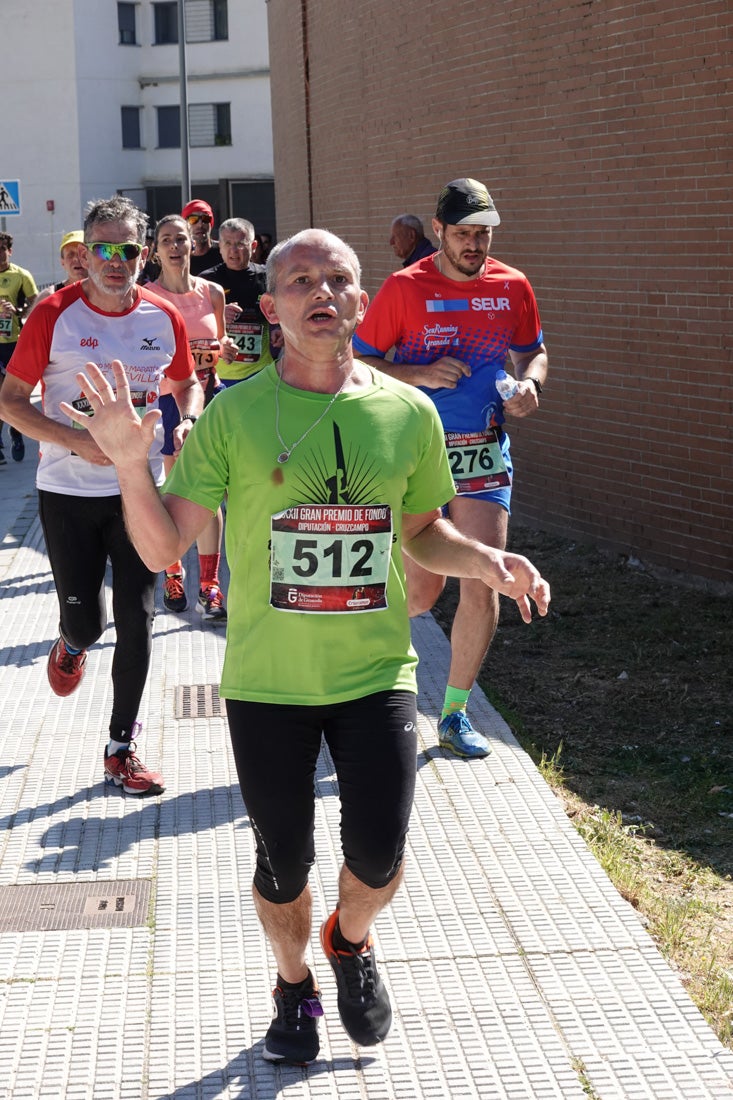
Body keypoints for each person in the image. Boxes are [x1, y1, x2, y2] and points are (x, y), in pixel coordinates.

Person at [60, 228, 550, 1063]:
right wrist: (131, 468)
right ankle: (292, 987)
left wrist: (488, 560)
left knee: (378, 856)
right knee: (282, 863)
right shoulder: (234, 416)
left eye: (337, 278)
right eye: (299, 280)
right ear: (271, 305)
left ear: (361, 301)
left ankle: (350, 941)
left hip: (375, 676)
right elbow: (159, 552)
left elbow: (422, 533)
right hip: (267, 684)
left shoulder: (405, 413)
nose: (319, 291)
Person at [0, 195, 202, 795]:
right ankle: (71, 642)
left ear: (144, 254)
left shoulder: (163, 316)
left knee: (138, 619)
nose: (117, 262)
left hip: (137, 490)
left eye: (129, 250)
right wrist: (75, 442)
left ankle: (121, 748)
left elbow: (185, 382)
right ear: (85, 255)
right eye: (104, 250)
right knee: (87, 622)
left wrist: (185, 419)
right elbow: (10, 401)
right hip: (67, 490)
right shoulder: (53, 314)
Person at [354, 178, 549, 760]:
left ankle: (455, 712)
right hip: (415, 448)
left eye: (483, 234)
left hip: (484, 447)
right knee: (420, 590)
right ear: (437, 230)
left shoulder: (512, 285)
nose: (474, 245)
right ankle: (366, 686)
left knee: (485, 574)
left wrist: (531, 385)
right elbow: (358, 360)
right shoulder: (404, 288)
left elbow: (532, 348)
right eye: (463, 234)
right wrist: (418, 374)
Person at [149, 213, 236, 621]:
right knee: (178, 490)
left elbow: (218, 343)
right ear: (155, 249)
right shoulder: (147, 297)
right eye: (166, 239)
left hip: (210, 400)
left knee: (210, 493)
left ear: (193, 242)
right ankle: (173, 573)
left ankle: (210, 583)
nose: (175, 246)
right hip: (169, 404)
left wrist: (225, 347)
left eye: (180, 238)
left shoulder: (212, 292)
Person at [200, 217, 278, 386]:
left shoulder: (268, 277)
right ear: (219, 246)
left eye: (240, 244)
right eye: (227, 243)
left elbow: (285, 312)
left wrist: (279, 328)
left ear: (254, 246)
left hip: (259, 372)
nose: (233, 250)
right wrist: (217, 315)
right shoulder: (206, 280)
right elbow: (193, 324)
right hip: (218, 374)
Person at [0, 232, 38, 463]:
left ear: (9, 251)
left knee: (10, 395)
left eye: (3, 248)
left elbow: (35, 305)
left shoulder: (21, 275)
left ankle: (16, 432)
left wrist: (17, 311)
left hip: (12, 342)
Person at [31, 231, 88, 310]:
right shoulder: (48, 297)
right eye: (70, 254)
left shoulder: (107, 294)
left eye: (82, 253)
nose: (76, 258)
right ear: (62, 262)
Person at [181, 199, 221, 276]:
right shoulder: (178, 257)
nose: (200, 225)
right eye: (193, 219)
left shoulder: (224, 252)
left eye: (205, 219)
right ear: (184, 225)